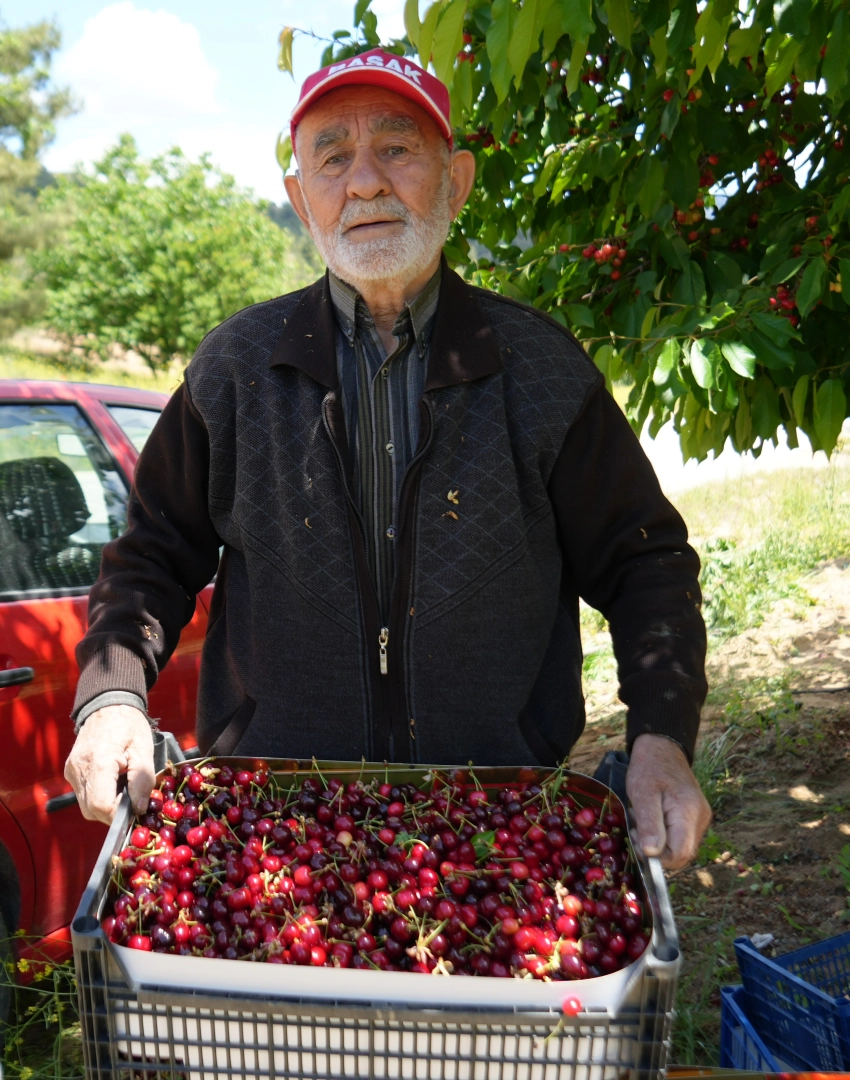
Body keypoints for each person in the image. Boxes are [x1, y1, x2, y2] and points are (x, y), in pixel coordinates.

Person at [64, 49, 712, 869]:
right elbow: (149, 560)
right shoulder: (233, 370)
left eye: (397, 149)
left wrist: (662, 737)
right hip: (277, 820)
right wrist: (112, 698)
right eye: (331, 157)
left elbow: (642, 563)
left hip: (495, 822)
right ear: (302, 199)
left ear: (457, 180)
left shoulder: (541, 370)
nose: (363, 182)